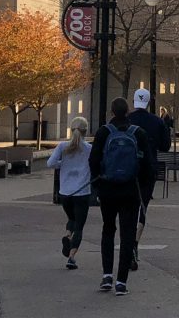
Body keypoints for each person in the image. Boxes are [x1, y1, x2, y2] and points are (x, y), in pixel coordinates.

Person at [89, 97, 153, 296]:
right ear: (127, 112)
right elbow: (148, 167)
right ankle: (121, 281)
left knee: (108, 230)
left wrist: (98, 184)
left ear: (111, 111)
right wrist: (142, 189)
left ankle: (107, 275)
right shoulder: (138, 133)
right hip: (130, 190)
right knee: (127, 235)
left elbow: (93, 161)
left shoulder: (103, 132)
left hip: (108, 188)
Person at [127, 88, 170, 272]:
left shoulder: (125, 120)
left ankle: (126, 241)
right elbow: (165, 146)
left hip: (125, 170)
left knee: (126, 208)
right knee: (141, 207)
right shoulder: (157, 121)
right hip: (147, 170)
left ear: (134, 101)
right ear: (149, 103)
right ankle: (134, 243)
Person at [47, 117, 92, 270]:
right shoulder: (88, 149)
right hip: (82, 191)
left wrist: (63, 164)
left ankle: (67, 235)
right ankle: (71, 257)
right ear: (86, 131)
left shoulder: (62, 146)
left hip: (65, 192)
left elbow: (50, 163)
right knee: (79, 225)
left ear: (71, 130)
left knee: (71, 218)